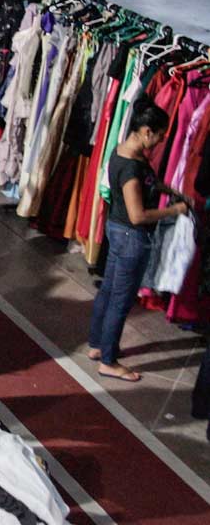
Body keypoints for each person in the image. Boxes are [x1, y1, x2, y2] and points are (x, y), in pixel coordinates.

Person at [88, 103, 192, 383]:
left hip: (116, 230)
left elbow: (149, 181)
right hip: (130, 237)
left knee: (109, 291)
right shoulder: (131, 166)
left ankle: (97, 344)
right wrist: (174, 211)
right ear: (146, 131)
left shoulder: (123, 152)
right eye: (159, 135)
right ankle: (109, 361)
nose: (160, 141)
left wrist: (168, 190)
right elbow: (138, 215)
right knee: (120, 301)